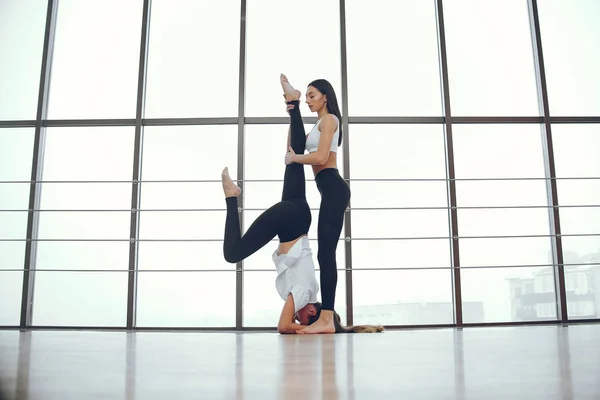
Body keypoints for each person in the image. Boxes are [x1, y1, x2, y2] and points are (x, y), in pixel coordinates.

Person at [221, 75, 320, 334]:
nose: (298, 319)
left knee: (293, 156)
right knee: (233, 254)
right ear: (311, 311)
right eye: (304, 319)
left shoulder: (311, 289)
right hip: (288, 220)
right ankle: (232, 196)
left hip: (298, 217)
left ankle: (293, 102)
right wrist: (306, 330)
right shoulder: (303, 294)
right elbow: (283, 326)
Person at [282, 77, 350, 334]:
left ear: (325, 97)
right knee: (325, 253)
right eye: (306, 97)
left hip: (333, 188)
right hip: (328, 189)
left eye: (312, 96)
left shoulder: (330, 120)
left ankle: (326, 319)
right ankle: (291, 100)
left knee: (326, 254)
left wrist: (294, 158)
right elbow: (295, 145)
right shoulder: (319, 125)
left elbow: (321, 157)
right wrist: (293, 113)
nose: (311, 100)